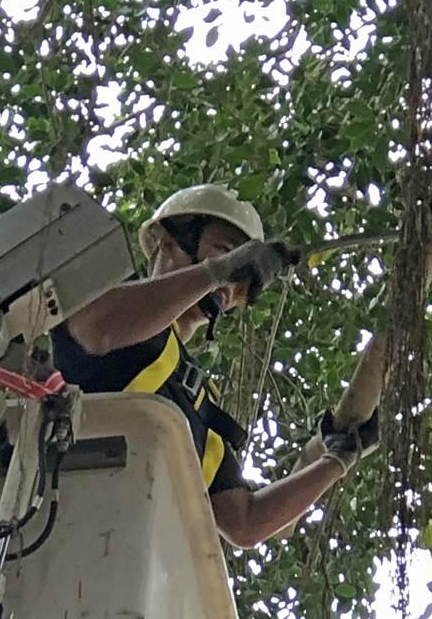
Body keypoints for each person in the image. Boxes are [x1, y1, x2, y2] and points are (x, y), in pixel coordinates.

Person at [50, 185, 378, 548]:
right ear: (168, 243)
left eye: (245, 275)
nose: (233, 280)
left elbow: (244, 522)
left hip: (118, 550)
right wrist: (217, 271)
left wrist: (339, 457)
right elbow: (99, 329)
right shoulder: (115, 300)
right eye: (225, 250)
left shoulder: (194, 400)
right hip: (50, 512)